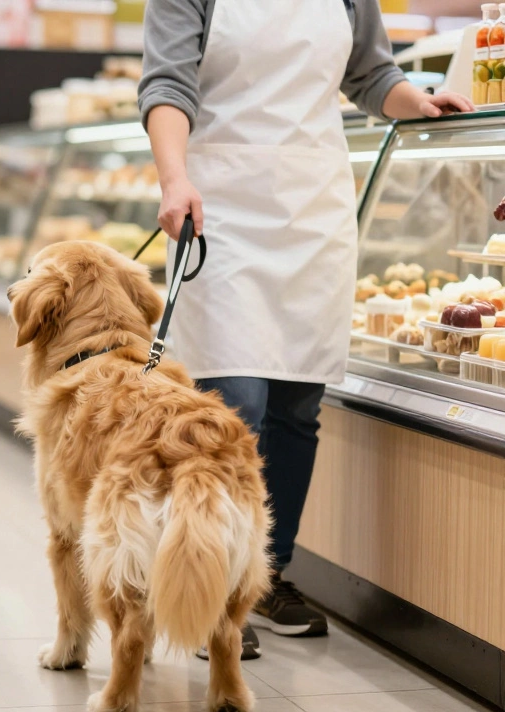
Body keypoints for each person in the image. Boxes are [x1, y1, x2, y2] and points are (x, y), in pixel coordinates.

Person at [140, 0, 471, 658]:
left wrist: (418, 101)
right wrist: (173, 177)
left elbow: (371, 75)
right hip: (220, 205)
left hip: (312, 205)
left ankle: (267, 576)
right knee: (234, 403)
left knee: (297, 405)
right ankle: (212, 588)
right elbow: (167, 83)